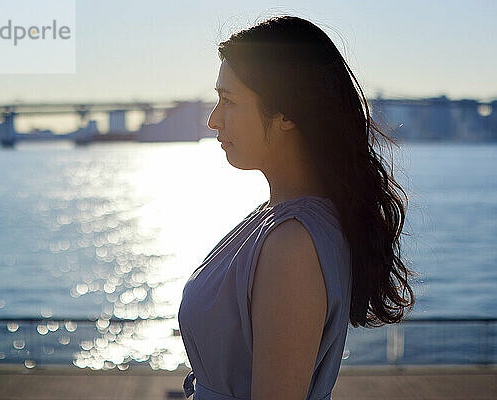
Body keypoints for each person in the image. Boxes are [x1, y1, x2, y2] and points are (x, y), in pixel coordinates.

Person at [177, 15, 417, 400]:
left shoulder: (293, 245)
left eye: (229, 100)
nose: (213, 119)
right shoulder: (274, 220)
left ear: (286, 112)